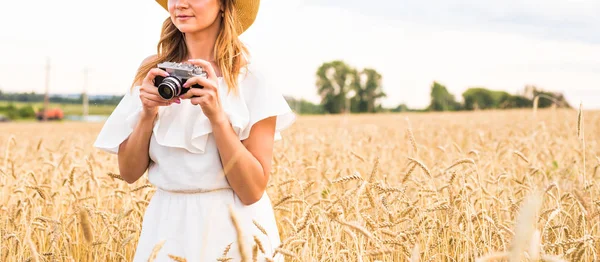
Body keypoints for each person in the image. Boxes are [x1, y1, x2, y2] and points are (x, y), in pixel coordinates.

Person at [93, 0, 296, 261]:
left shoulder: (252, 77)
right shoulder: (154, 72)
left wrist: (217, 117)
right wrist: (147, 113)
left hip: (236, 231)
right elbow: (129, 173)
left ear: (224, 4)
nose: (180, 4)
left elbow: (252, 190)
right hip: (165, 228)